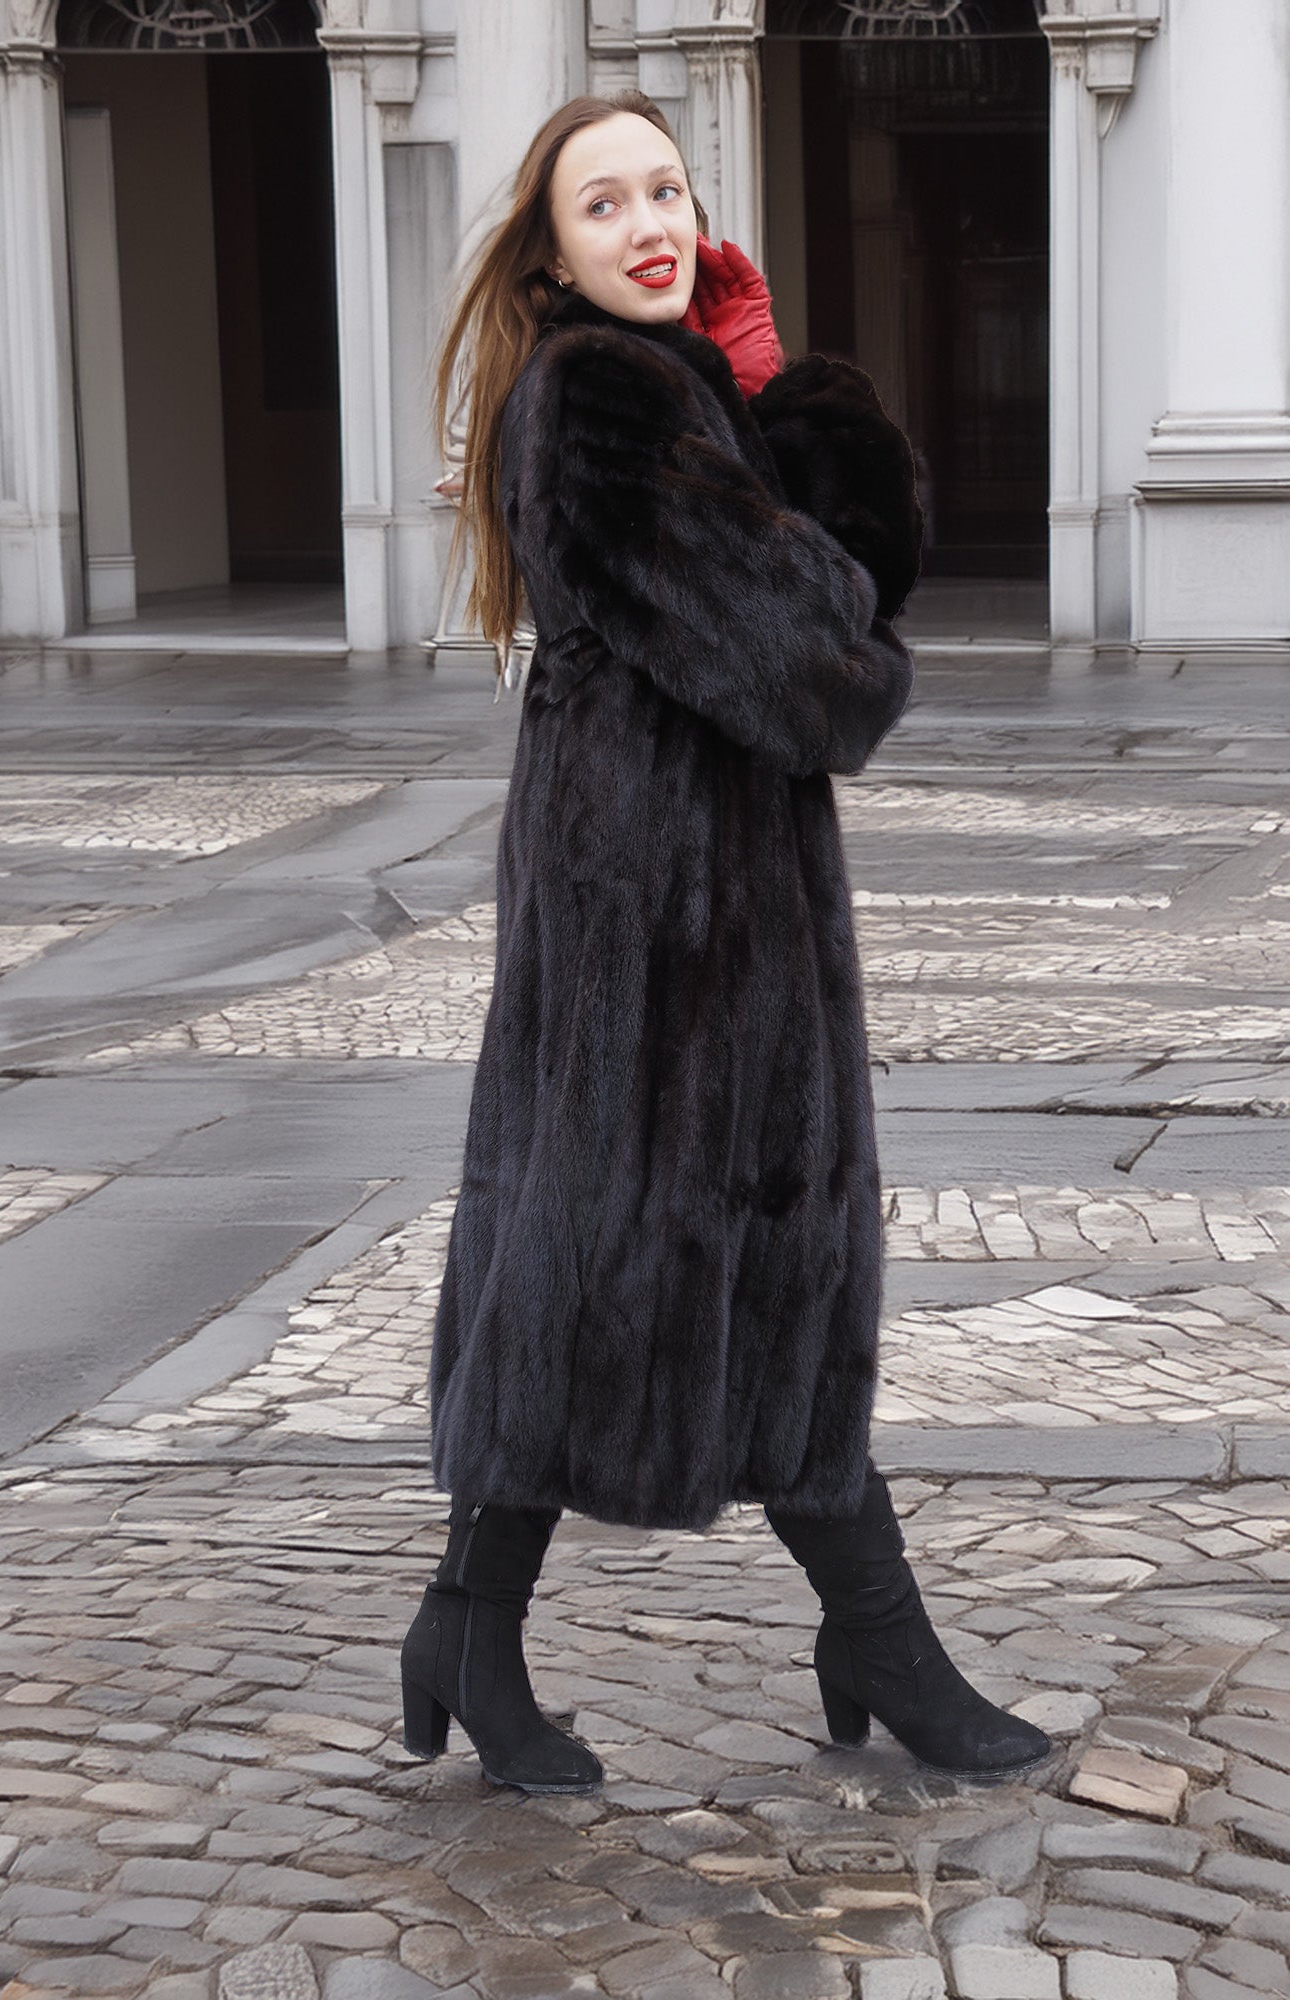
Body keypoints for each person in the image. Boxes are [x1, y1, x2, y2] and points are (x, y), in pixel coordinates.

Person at [399, 89, 1051, 1796]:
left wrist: (775, 384)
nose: (649, 224)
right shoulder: (598, 400)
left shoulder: (686, 389)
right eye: (603, 204)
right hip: (655, 914)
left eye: (669, 190)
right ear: (551, 252)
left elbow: (866, 570)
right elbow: (824, 667)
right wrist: (822, 573)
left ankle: (508, 1618)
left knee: (699, 1251)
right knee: (628, 1256)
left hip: (723, 896)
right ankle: (868, 1638)